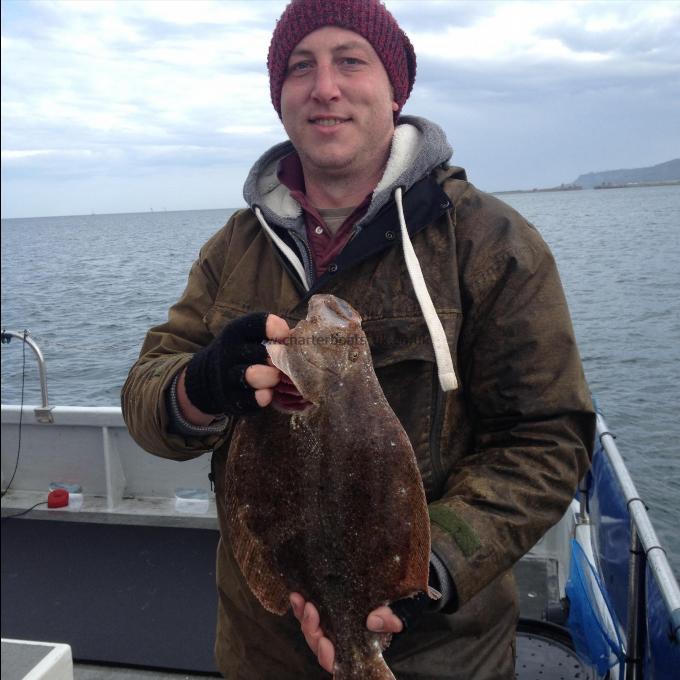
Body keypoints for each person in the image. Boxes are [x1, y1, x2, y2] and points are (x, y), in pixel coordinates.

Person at [122, 0, 595, 677]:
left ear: (394, 88)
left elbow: (549, 438)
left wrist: (429, 567)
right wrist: (197, 387)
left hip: (439, 650)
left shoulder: (488, 243)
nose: (325, 87)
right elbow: (146, 392)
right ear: (279, 98)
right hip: (261, 652)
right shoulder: (233, 250)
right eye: (300, 67)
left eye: (351, 60)